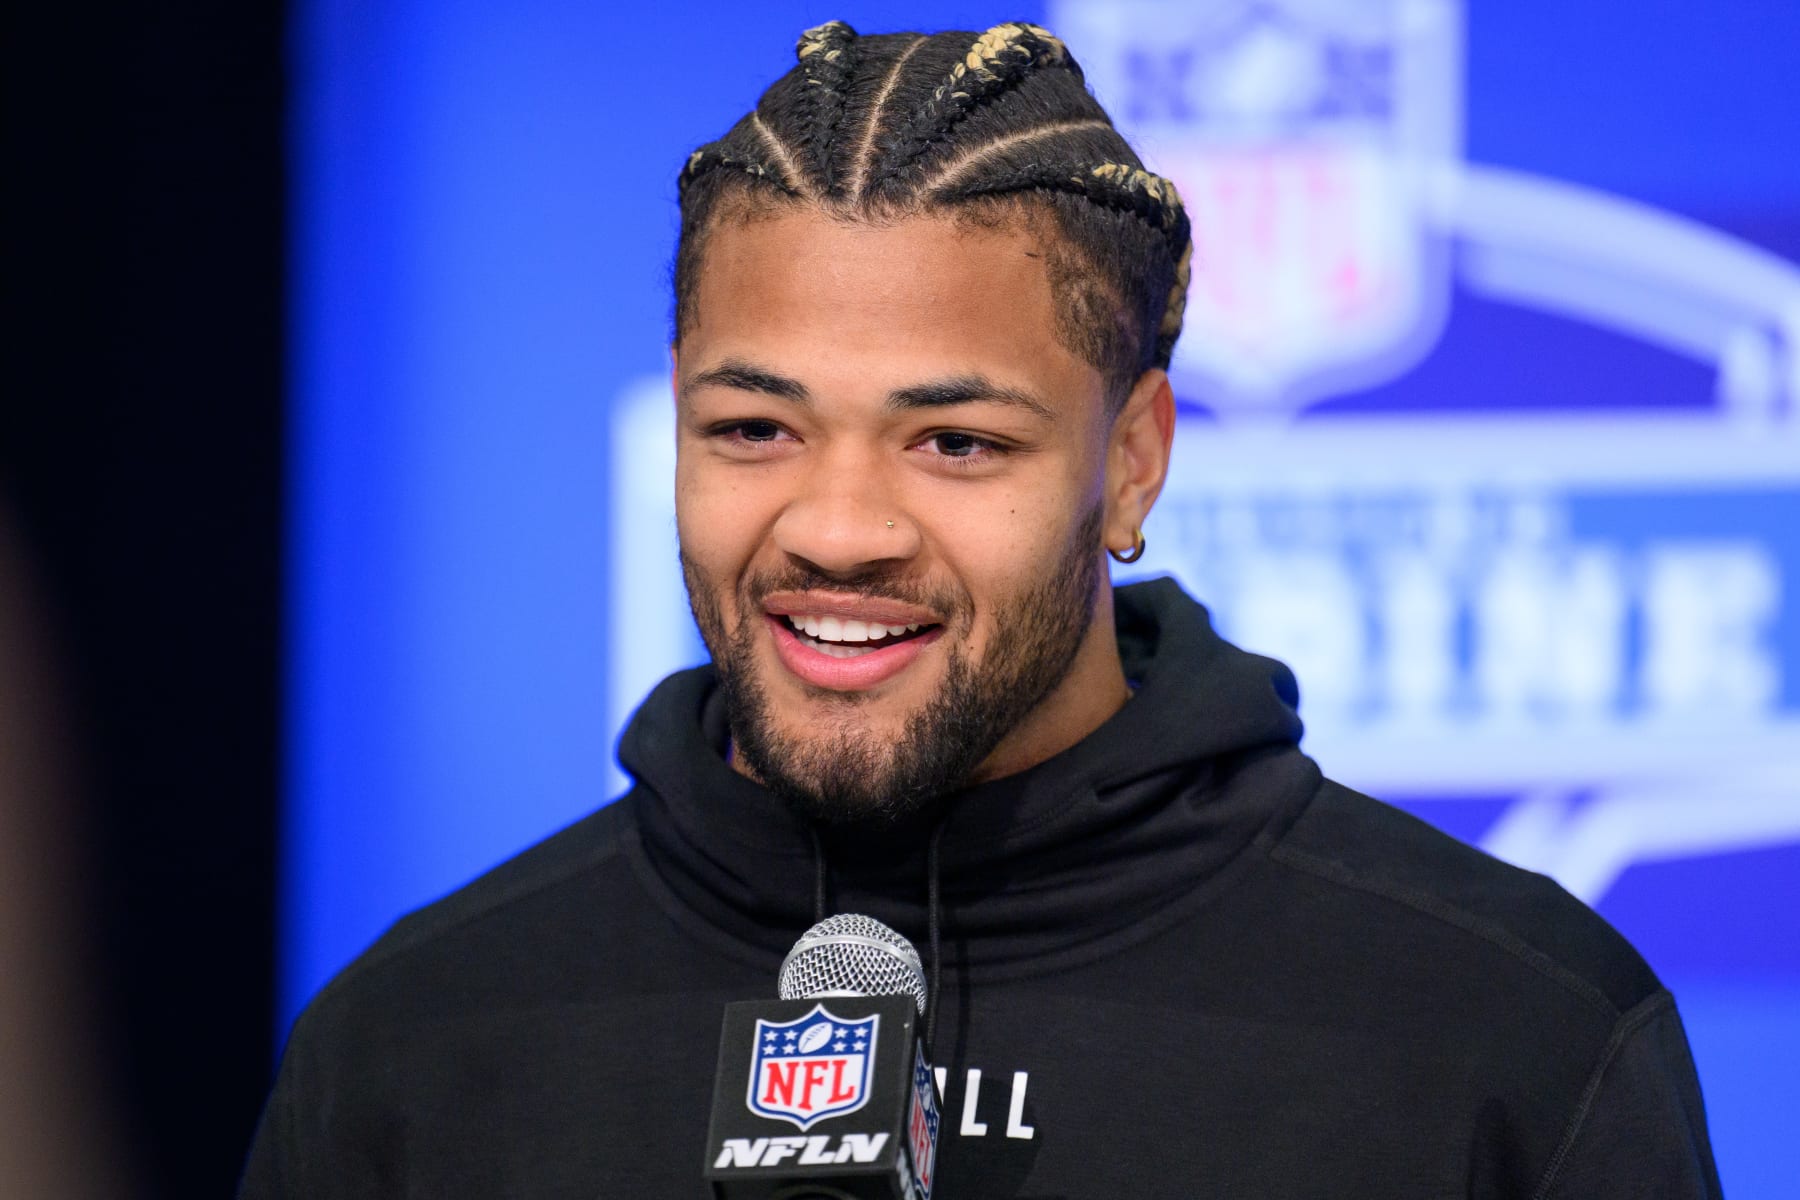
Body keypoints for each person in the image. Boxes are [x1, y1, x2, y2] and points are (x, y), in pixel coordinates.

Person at [240, 21, 1720, 1198]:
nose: (837, 528)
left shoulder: (1511, 1032)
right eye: (754, 428)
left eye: (957, 442)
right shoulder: (413, 1045)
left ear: (1131, 458)